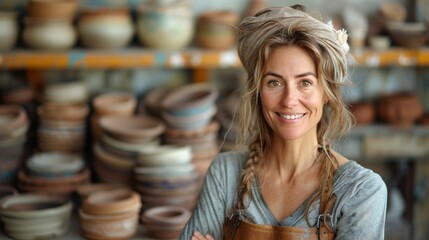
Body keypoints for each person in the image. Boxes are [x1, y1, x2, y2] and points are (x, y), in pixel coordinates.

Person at [179, 5, 387, 240]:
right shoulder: (225, 174)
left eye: (305, 83)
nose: (289, 100)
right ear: (258, 92)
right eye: (274, 83)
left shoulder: (360, 191)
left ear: (327, 92)